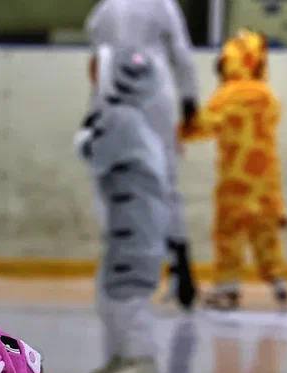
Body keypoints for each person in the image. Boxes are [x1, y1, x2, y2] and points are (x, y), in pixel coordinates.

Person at [85, 0, 200, 310]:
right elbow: (181, 54)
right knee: (165, 184)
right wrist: (190, 101)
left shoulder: (104, 11)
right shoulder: (163, 5)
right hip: (153, 98)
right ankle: (181, 271)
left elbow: (96, 65)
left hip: (110, 98)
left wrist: (94, 109)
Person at [76, 48, 169, 373]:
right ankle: (124, 357)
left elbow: (94, 154)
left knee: (126, 294)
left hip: (134, 226)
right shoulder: (132, 117)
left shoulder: (119, 119)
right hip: (134, 223)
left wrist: (86, 134)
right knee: (113, 292)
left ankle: (140, 362)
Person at [181, 29, 287, 311]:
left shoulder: (226, 96)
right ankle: (278, 280)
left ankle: (228, 289)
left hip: (235, 181)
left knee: (229, 234)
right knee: (266, 234)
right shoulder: (268, 96)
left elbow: (203, 125)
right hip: (266, 181)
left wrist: (179, 130)